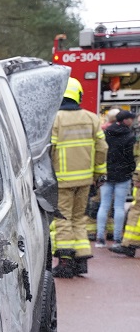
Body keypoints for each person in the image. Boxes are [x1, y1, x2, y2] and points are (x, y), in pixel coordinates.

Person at [50, 77, 107, 278]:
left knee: (62, 219)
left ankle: (65, 263)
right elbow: (102, 149)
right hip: (85, 180)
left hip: (62, 181)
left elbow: (50, 149)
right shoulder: (92, 118)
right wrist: (98, 174)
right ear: (78, 95)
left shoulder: (55, 119)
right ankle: (81, 260)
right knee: (78, 219)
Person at [96, 110, 137, 249]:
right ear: (125, 120)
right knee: (119, 207)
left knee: (104, 205)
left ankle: (100, 238)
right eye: (131, 119)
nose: (132, 121)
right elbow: (130, 157)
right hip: (123, 175)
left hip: (107, 174)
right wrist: (131, 169)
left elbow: (101, 151)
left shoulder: (106, 133)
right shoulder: (129, 135)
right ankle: (117, 238)